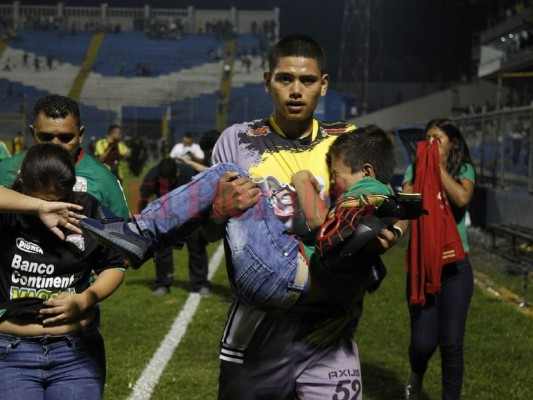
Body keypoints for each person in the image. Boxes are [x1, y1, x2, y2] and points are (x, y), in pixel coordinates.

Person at [80, 36, 402, 398]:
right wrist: (219, 211)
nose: (296, 90)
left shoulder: (347, 142)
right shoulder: (237, 139)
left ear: (323, 85)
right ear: (268, 82)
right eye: (284, 79)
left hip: (327, 326)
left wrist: (386, 235)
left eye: (307, 80)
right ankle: (139, 237)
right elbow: (213, 232)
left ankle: (138, 236)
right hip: (258, 328)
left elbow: (383, 210)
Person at [0, 143, 125, 399]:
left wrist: (85, 299)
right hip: (9, 353)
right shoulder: (8, 213)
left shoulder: (89, 209)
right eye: (45, 201)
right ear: (23, 184)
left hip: (75, 353)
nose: (55, 208)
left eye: (61, 200)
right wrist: (37, 208)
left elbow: (114, 266)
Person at [396, 118, 475, 400]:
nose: (430, 143)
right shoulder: (412, 170)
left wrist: (437, 167)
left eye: (437, 139)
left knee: (451, 343)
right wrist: (395, 228)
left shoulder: (463, 169)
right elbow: (408, 204)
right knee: (423, 342)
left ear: (451, 144)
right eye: (426, 138)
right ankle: (416, 374)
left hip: (456, 268)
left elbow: (462, 197)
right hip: (422, 266)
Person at [0, 95, 130, 219]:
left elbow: (122, 234)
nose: (55, 144)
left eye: (65, 137)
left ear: (80, 135)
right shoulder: (7, 170)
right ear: (32, 133)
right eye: (46, 137)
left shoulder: (104, 180)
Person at [138, 158, 211, 296]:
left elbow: (204, 193)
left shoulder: (189, 172)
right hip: (165, 215)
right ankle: (163, 283)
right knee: (161, 250)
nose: (168, 184)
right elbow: (143, 199)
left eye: (171, 180)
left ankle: (200, 283)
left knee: (196, 247)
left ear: (177, 172)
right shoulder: (152, 175)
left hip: (192, 213)